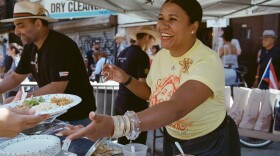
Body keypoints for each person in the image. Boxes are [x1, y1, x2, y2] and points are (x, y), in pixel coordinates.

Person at [59, 0, 240, 155]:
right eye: (161, 18)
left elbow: (176, 106)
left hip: (209, 142)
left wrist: (118, 124)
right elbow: (152, 94)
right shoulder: (161, 56)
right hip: (173, 139)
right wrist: (126, 79)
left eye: (173, 19)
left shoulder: (207, 59)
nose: (163, 25)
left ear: (193, 27)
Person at [0, 2, 96, 123]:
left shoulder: (60, 45)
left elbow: (57, 87)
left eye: (20, 25)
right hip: (53, 116)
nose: (16, 31)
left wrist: (21, 100)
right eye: (15, 26)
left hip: (78, 117)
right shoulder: (30, 47)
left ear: (38, 24)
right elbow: (15, 77)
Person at [113, 25, 159, 145]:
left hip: (120, 101)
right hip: (135, 105)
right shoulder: (141, 55)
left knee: (122, 141)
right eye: (152, 40)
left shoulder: (123, 52)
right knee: (137, 143)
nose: (151, 45)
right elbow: (143, 85)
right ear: (147, 37)